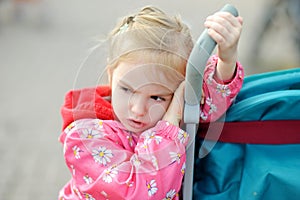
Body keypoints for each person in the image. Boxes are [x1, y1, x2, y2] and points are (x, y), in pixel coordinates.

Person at [58, 5, 244, 200]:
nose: (138, 110)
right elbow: (140, 192)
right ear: (111, 74)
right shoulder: (83, 137)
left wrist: (227, 59)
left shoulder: (174, 105)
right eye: (127, 90)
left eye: (157, 97)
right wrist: (171, 120)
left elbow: (208, 104)